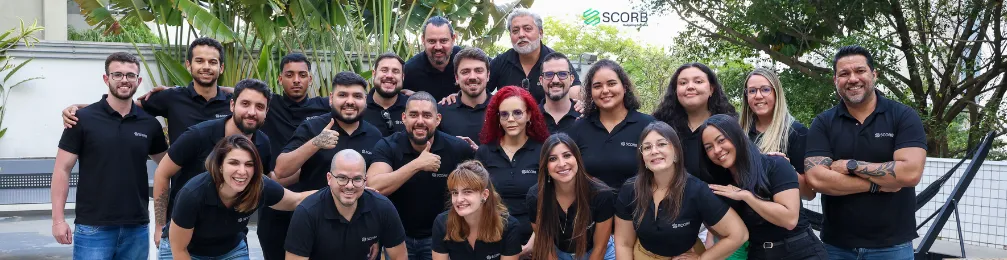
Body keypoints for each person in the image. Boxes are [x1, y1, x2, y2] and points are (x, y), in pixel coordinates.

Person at [804, 45, 927, 260]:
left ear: (873, 74)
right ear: (836, 80)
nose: (852, 79)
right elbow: (817, 179)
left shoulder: (903, 116)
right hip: (837, 247)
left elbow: (909, 173)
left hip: (892, 246)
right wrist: (878, 185)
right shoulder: (823, 123)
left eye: (860, 71)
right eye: (844, 73)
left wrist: (851, 165)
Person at [50, 52, 169, 260]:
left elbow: (168, 167)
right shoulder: (82, 120)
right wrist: (58, 220)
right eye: (117, 74)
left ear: (138, 80)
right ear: (106, 79)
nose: (125, 80)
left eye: (131, 75)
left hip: (137, 228)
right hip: (93, 228)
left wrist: (162, 222)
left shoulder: (149, 124)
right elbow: (62, 169)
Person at [151, 79, 274, 248]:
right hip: (185, 238)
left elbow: (263, 184)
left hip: (231, 241)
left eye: (259, 107)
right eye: (245, 104)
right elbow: (162, 173)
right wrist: (159, 226)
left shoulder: (262, 143)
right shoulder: (197, 136)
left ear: (266, 111)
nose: (251, 112)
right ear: (232, 105)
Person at [161, 135, 314, 259]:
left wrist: (334, 189)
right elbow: (179, 250)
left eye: (249, 164)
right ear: (220, 166)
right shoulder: (193, 194)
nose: (242, 171)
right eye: (234, 163)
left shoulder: (260, 186)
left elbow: (297, 200)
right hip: (185, 250)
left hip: (230, 250)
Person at [366, 91, 477, 260]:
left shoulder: (457, 148)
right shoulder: (388, 146)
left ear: (437, 119)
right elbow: (373, 188)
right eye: (413, 115)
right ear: (404, 118)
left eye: (426, 115)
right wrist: (417, 164)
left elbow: (478, 191)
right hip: (398, 237)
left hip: (443, 236)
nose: (420, 121)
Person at [613, 121, 748, 259]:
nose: (654, 151)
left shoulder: (696, 190)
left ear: (676, 151)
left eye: (661, 144)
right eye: (647, 148)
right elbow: (624, 243)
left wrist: (702, 258)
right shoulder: (631, 189)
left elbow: (739, 234)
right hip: (643, 255)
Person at [698, 115, 826, 259]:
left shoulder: (775, 165)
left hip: (800, 251)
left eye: (721, 140)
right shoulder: (722, 184)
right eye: (708, 147)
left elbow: (789, 220)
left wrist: (746, 196)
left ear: (737, 136)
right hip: (758, 253)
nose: (717, 150)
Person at [62, 37, 232, 143]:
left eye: (213, 62)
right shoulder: (170, 97)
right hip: (184, 193)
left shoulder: (234, 101)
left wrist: (226, 90)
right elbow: (123, 106)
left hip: (230, 192)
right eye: (200, 61)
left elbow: (257, 96)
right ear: (189, 65)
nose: (206, 67)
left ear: (221, 67)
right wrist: (78, 107)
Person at [253, 53, 331, 260]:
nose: (296, 80)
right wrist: (176, 90)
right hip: (274, 197)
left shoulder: (325, 107)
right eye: (289, 75)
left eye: (302, 75)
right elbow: (235, 94)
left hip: (313, 198)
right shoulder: (269, 105)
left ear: (310, 79)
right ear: (280, 79)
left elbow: (363, 100)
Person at [284, 149, 408, 260]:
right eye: (342, 178)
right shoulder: (307, 213)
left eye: (357, 179)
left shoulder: (382, 207)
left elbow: (399, 257)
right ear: (329, 178)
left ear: (365, 180)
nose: (349, 186)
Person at [275, 71, 384, 190]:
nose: (350, 102)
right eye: (342, 95)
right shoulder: (312, 127)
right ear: (331, 98)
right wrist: (316, 143)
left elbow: (376, 181)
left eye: (357, 96)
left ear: (365, 100)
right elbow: (281, 171)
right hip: (314, 207)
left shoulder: (374, 135)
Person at [474, 86, 550, 247]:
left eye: (517, 113)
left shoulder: (543, 150)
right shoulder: (485, 152)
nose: (510, 119)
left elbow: (550, 202)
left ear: (529, 114)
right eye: (504, 114)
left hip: (536, 241)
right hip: (492, 240)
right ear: (498, 118)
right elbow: (477, 200)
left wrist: (532, 245)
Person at [567, 59, 656, 189]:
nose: (605, 90)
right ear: (590, 92)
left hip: (637, 207)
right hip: (590, 207)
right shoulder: (578, 128)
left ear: (624, 87)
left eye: (611, 84)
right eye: (597, 86)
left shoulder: (648, 126)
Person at [526, 133, 616, 260]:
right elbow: (546, 245)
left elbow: (600, 248)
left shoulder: (601, 194)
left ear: (577, 158)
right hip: (558, 254)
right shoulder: (536, 196)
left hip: (599, 254)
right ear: (545, 166)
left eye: (567, 155)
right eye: (552, 159)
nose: (562, 164)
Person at [653, 62, 739, 184]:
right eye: (683, 83)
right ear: (675, 91)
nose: (690, 87)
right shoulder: (661, 127)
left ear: (711, 89)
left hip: (724, 200)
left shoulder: (732, 124)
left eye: (698, 82)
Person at [738, 68, 814, 200]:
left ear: (776, 93)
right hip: (746, 215)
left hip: (782, 215)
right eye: (752, 91)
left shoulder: (796, 132)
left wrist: (786, 168)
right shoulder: (738, 131)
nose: (758, 96)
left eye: (765, 89)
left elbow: (809, 194)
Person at [431, 160, 523, 260]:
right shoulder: (442, 222)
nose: (459, 199)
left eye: (467, 192)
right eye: (455, 192)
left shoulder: (509, 226)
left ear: (485, 195)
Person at [487, 8, 582, 102]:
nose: (521, 35)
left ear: (540, 33)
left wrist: (580, 104)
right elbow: (481, 91)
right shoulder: (500, 62)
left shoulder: (557, 60)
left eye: (527, 29)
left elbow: (575, 91)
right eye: (515, 31)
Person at [439, 47, 493, 145]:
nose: (472, 77)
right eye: (465, 72)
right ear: (456, 77)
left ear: (488, 75)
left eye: (478, 70)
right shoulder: (441, 111)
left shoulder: (502, 109)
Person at [403, 16, 462, 100]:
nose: (438, 47)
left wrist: (464, 96)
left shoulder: (467, 60)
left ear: (453, 39)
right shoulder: (409, 70)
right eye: (432, 41)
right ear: (423, 40)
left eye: (443, 41)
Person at [363, 53, 409, 136]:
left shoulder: (412, 107)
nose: (389, 75)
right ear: (374, 74)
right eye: (384, 70)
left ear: (402, 77)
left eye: (395, 71)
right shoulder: (359, 107)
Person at [538, 52, 581, 134]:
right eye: (549, 74)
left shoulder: (585, 117)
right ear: (541, 80)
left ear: (571, 79)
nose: (555, 80)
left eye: (562, 74)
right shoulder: (531, 118)